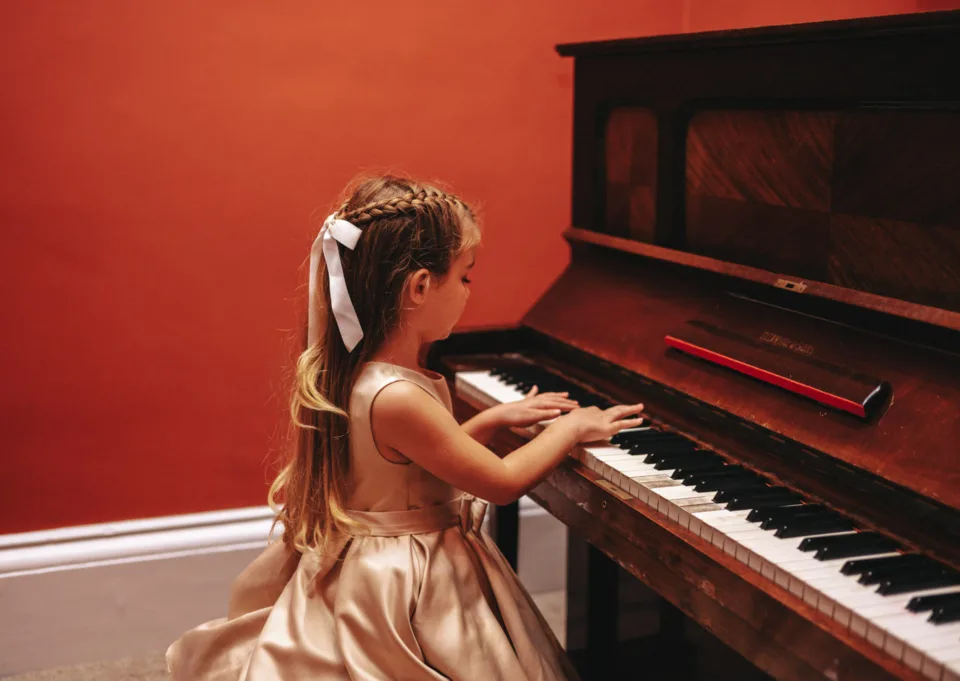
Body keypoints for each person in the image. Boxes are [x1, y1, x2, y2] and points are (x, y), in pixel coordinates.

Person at [166, 175, 644, 680]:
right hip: (408, 578)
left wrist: (490, 419)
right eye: (464, 276)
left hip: (378, 551)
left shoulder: (364, 372)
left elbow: (411, 467)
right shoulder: (396, 396)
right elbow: (500, 484)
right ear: (418, 287)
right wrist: (569, 431)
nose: (468, 291)